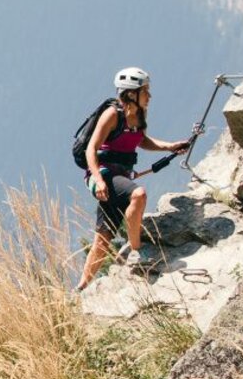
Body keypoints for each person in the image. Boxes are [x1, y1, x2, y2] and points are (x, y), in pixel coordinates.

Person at [76, 67, 191, 291]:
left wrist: (170, 146)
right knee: (138, 194)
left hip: (120, 177)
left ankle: (79, 289)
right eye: (145, 91)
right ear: (131, 94)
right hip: (104, 176)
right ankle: (137, 251)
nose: (149, 96)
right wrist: (99, 180)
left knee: (102, 240)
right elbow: (91, 149)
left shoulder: (139, 116)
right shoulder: (112, 115)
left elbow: (141, 140)